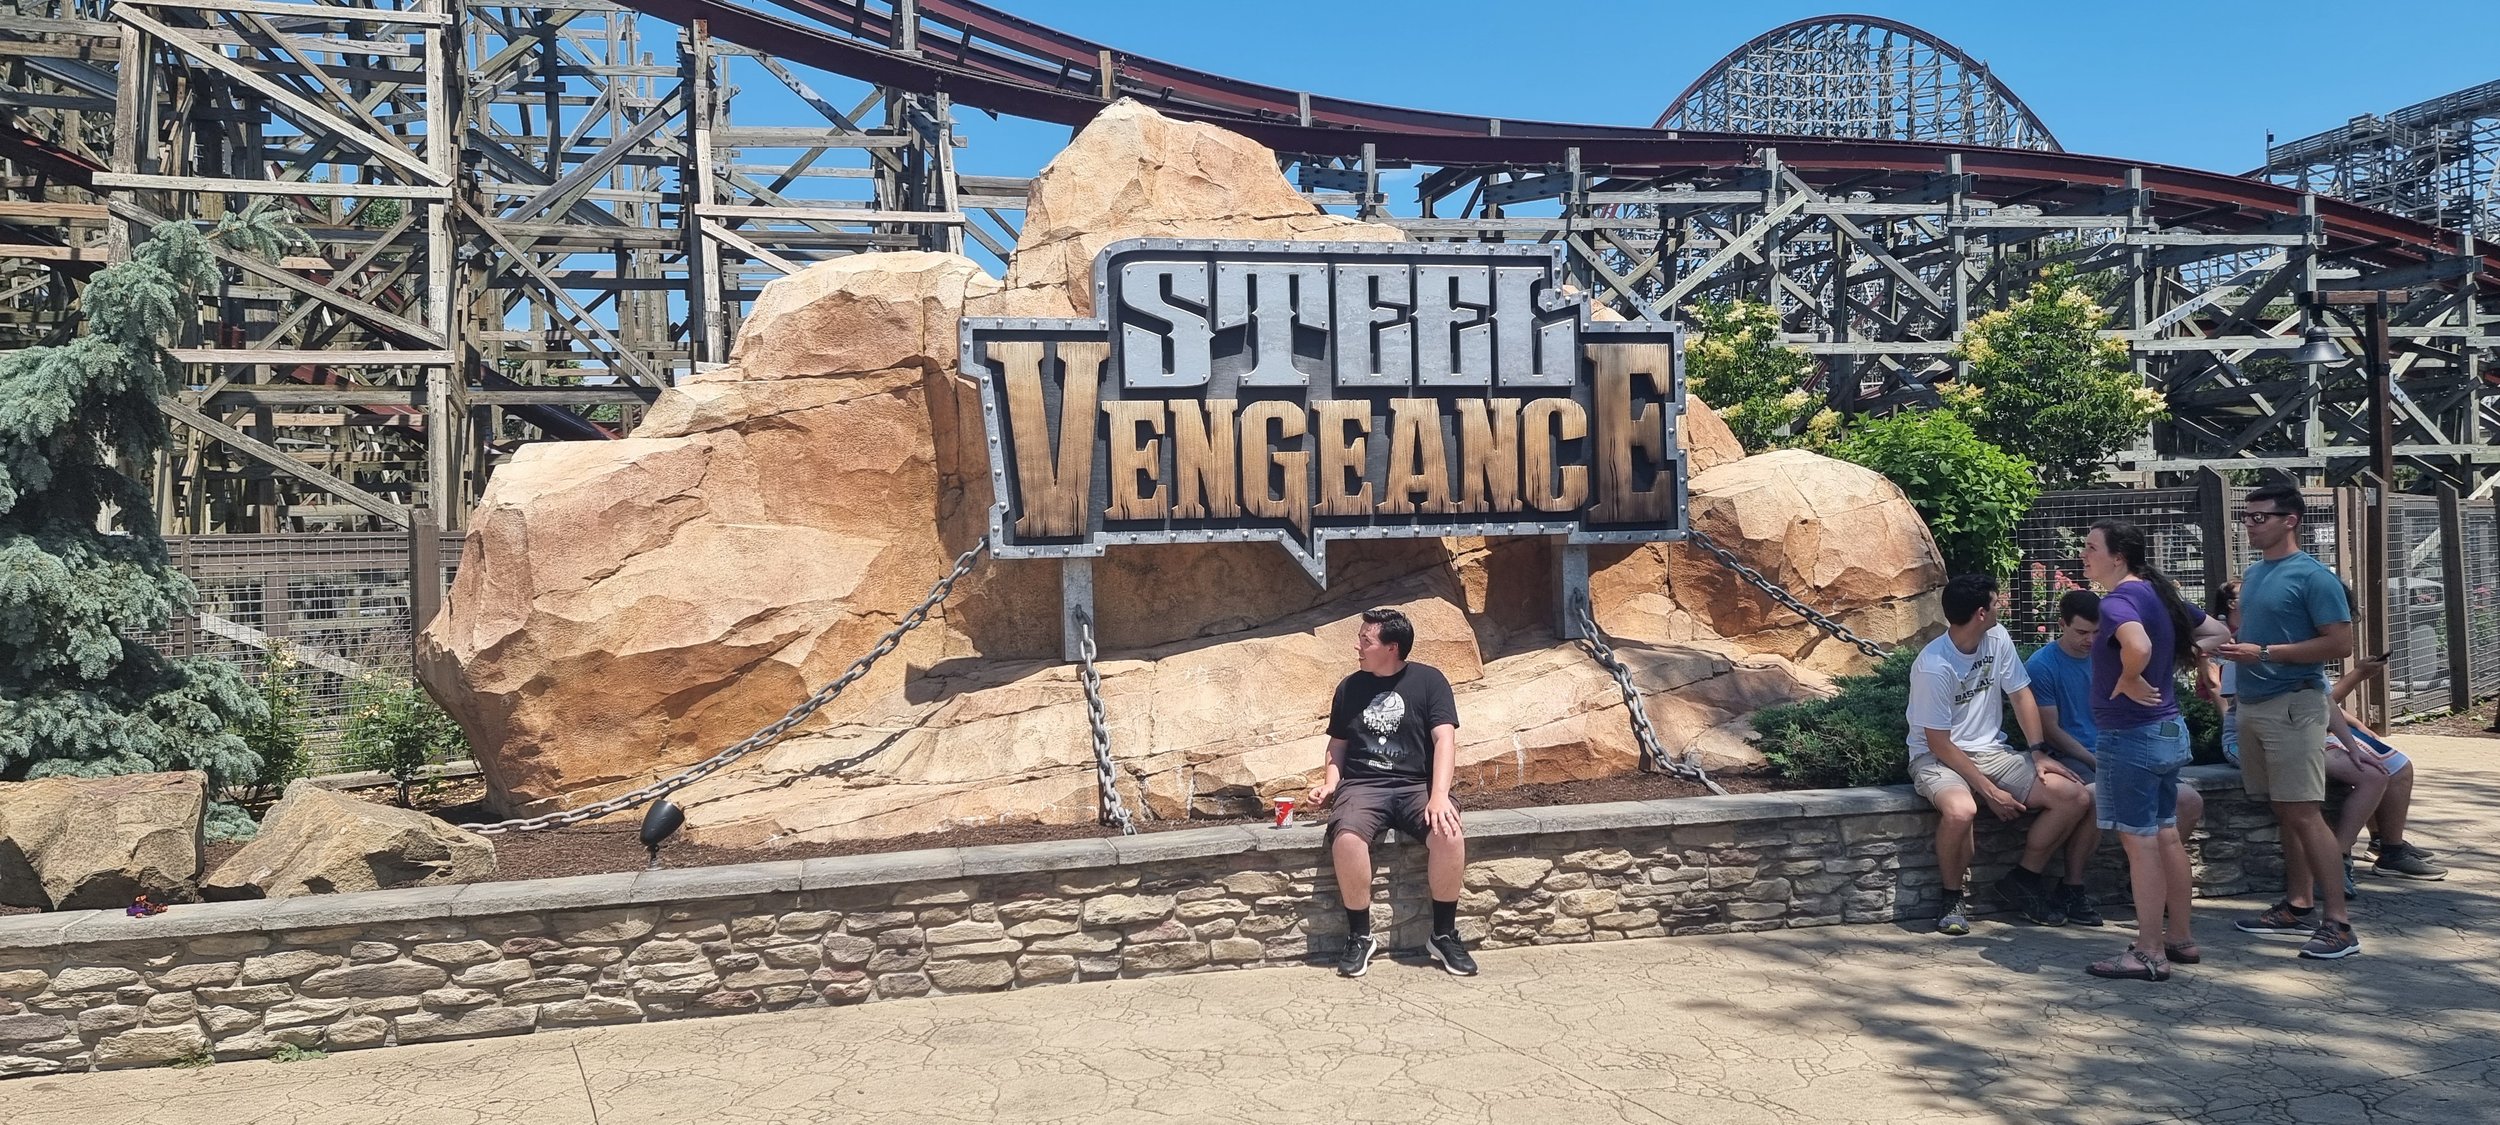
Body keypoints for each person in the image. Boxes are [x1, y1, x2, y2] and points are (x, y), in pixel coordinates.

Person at [2077, 520, 2230, 981]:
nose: (2083, 554)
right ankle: (2179, 939)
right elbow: (2220, 633)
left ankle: (2148, 951)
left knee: (2140, 843)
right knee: (2165, 834)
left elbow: (2138, 645)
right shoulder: (2157, 595)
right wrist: (2182, 654)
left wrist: (2128, 677)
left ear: (2118, 556)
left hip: (2132, 737)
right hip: (2167, 731)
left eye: (2090, 547)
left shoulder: (2120, 601)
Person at [1904, 574, 2095, 937]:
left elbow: (2021, 694)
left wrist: (2038, 753)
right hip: (1936, 757)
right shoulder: (1934, 666)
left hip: (1994, 752)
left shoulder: (1997, 637)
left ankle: (2023, 879)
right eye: (1995, 602)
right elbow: (1940, 743)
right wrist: (1989, 792)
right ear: (1980, 613)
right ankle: (1951, 898)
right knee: (1963, 810)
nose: (1999, 607)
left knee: (2075, 796)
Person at [2219, 483, 2361, 960]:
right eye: (2247, 517)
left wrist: (2264, 652)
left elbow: (2340, 645)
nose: (2251, 524)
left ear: (2290, 520)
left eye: (2261, 517)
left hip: (2295, 706)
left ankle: (2338, 924)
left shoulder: (2314, 577)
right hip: (2254, 706)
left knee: (2304, 810)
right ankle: (2298, 904)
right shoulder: (2257, 573)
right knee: (2285, 809)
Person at [2022, 588, 2207, 928]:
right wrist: (2096, 760)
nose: (2090, 640)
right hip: (2076, 756)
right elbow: (2051, 730)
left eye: (2097, 632)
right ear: (2062, 624)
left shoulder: (2114, 656)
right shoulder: (2041, 665)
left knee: (2190, 802)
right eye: (2081, 632)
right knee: (2096, 798)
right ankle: (2072, 887)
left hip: (2127, 749)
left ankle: (2149, 881)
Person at [1309, 607, 1475, 978]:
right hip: (1363, 786)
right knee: (1348, 839)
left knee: (1449, 833)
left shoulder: (1430, 682)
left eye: (1365, 640)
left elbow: (1444, 741)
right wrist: (1331, 783)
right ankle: (1360, 936)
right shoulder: (1350, 688)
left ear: (1391, 647)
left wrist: (1439, 795)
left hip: (1417, 785)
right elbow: (1338, 746)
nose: (1358, 646)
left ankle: (1444, 934)